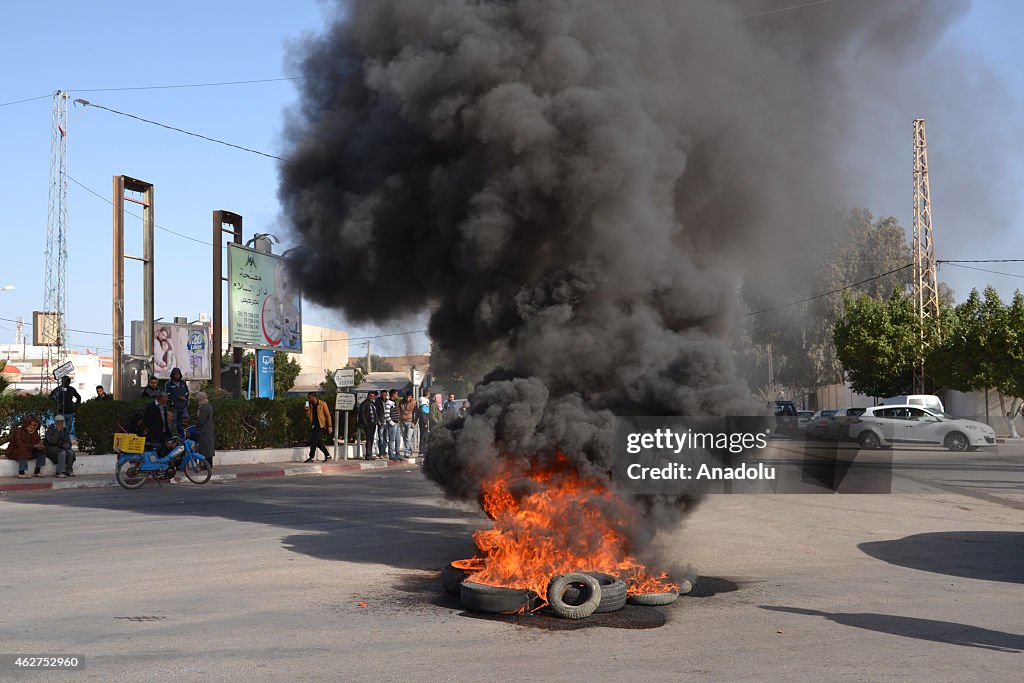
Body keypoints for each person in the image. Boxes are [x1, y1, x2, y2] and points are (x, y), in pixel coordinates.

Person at [304, 392, 333, 462]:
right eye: (308, 398)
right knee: (318, 442)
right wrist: (306, 409)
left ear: (314, 397)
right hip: (313, 425)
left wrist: (329, 426)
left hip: (321, 425)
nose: (309, 399)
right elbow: (308, 415)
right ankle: (328, 455)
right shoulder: (309, 404)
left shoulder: (322, 404)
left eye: (310, 398)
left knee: (313, 441)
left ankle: (311, 457)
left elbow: (328, 415)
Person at [194, 391, 215, 467]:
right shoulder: (208, 406)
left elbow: (201, 420)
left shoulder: (204, 407)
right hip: (208, 429)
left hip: (205, 430)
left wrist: (196, 425)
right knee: (208, 447)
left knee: (206, 447)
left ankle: (207, 465)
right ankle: (208, 465)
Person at [357, 391, 379, 461]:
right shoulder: (364, 404)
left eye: (373, 396)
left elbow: (375, 413)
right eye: (370, 396)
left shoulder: (373, 404)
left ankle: (370, 454)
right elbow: (362, 415)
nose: (371, 397)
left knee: (371, 439)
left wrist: (376, 421)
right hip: (368, 424)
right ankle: (368, 455)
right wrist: (365, 424)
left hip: (373, 424)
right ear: (368, 396)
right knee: (369, 440)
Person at [399, 391, 417, 458]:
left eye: (409, 397)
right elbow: (399, 410)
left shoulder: (414, 402)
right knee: (404, 438)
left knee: (408, 438)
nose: (408, 398)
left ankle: (407, 452)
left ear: (411, 397)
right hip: (402, 421)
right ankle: (409, 450)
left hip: (410, 421)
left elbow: (416, 413)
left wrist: (414, 422)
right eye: (407, 397)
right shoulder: (401, 402)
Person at [374, 390, 388, 457]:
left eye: (385, 395)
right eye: (382, 395)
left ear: (386, 395)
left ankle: (384, 451)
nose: (383, 396)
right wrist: (378, 421)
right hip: (381, 422)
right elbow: (376, 412)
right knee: (381, 438)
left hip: (388, 422)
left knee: (386, 438)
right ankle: (381, 452)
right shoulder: (378, 402)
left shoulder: (389, 401)